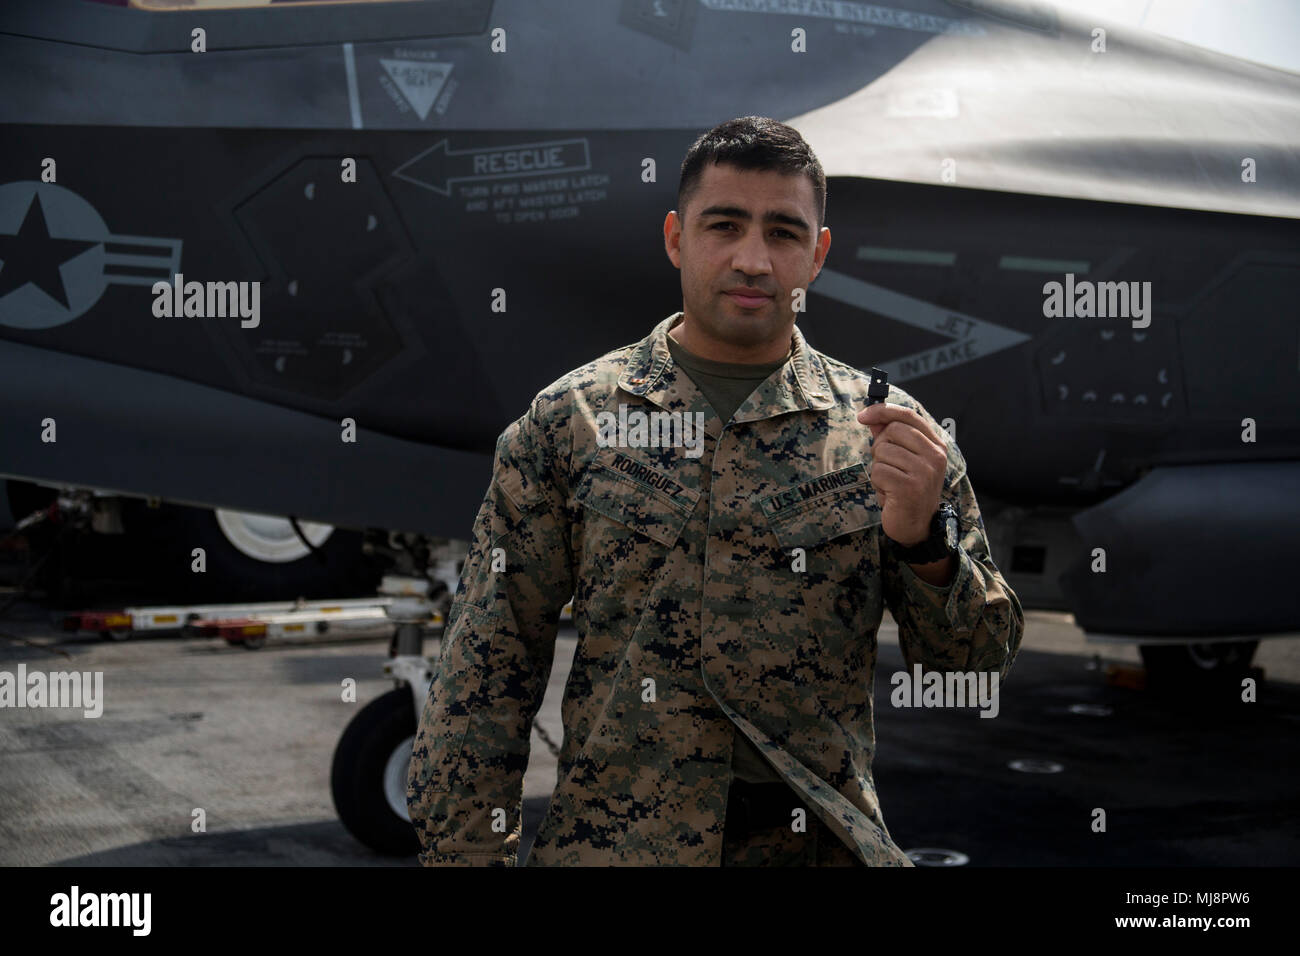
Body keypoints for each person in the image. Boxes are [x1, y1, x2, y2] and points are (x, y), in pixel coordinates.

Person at [407, 115, 1024, 866]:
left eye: (784, 232)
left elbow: (975, 667)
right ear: (675, 237)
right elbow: (486, 668)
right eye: (723, 225)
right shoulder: (570, 424)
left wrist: (925, 543)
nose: (753, 259)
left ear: (818, 255)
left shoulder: (888, 436)